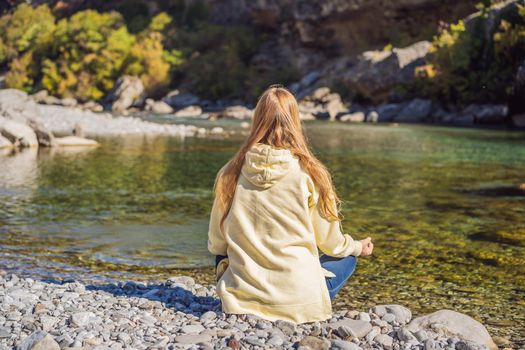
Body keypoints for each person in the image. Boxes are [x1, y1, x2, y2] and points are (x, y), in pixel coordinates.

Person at [207, 85, 374, 324]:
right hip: (299, 301)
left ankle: (246, 292)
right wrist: (358, 247)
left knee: (223, 254)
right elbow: (332, 244)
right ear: (295, 122)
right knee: (347, 259)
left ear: (257, 120)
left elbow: (216, 243)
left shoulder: (230, 172)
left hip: (240, 299)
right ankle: (300, 298)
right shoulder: (311, 174)